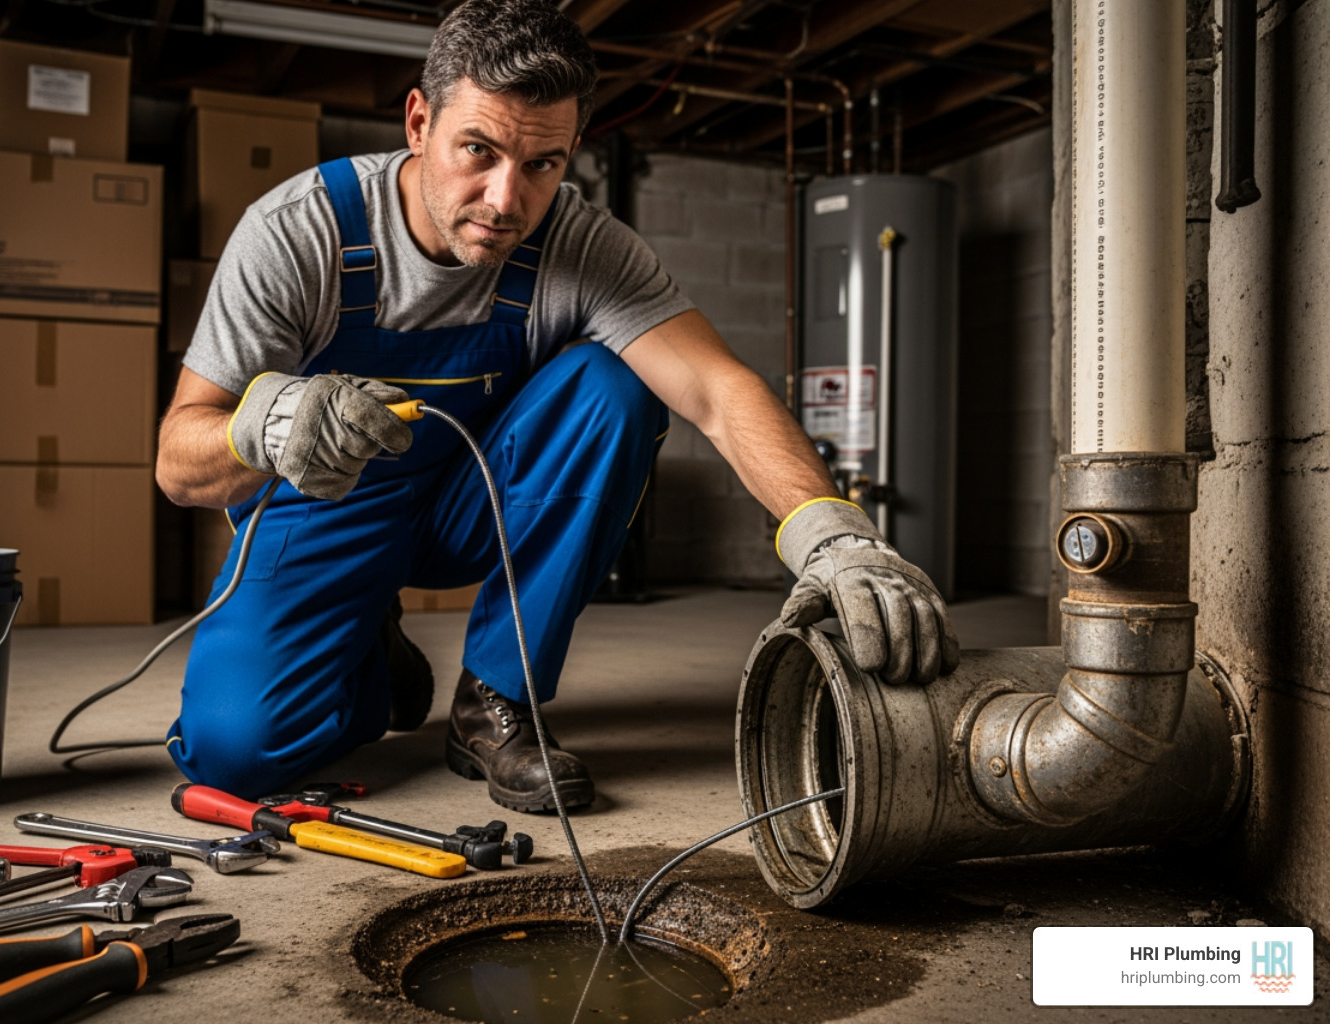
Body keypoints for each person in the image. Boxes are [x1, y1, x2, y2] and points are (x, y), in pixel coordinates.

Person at [156, 0, 958, 813]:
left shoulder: (579, 246)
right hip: (332, 510)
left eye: (543, 164)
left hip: (478, 508)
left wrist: (834, 535)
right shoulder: (301, 233)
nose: (506, 199)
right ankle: (365, 644)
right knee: (235, 754)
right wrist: (271, 423)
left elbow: (717, 389)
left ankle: (495, 701)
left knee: (613, 388)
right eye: (479, 150)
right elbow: (179, 465)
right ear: (418, 120)